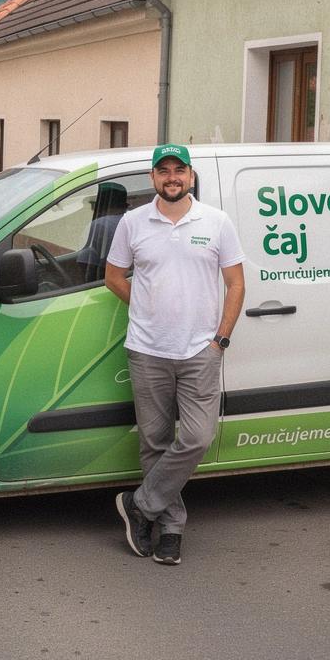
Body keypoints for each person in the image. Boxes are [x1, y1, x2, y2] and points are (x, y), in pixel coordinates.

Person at [105, 144, 245, 565]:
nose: (171, 177)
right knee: (154, 442)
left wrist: (220, 340)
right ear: (152, 178)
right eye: (163, 170)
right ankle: (169, 527)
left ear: (191, 176)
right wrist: (145, 307)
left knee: (199, 436)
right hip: (147, 350)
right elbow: (113, 276)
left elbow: (236, 284)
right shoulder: (133, 223)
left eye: (179, 170)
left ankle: (139, 505)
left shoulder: (217, 222)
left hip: (200, 350)